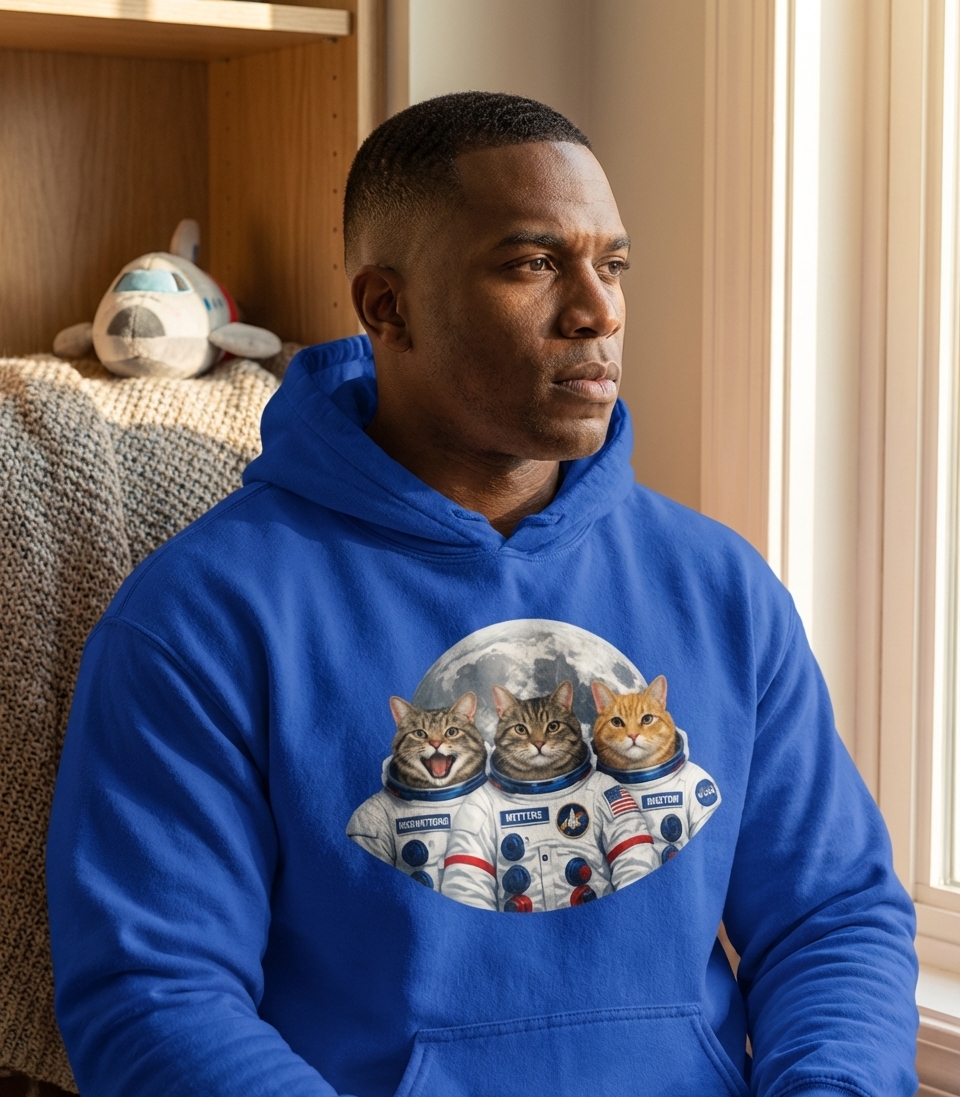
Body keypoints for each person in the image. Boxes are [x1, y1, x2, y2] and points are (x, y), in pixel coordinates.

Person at [46, 92, 919, 1097]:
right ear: (388, 306)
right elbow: (155, 995)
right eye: (534, 263)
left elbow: (833, 916)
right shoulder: (199, 617)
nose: (598, 310)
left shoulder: (720, 585)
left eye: (612, 264)